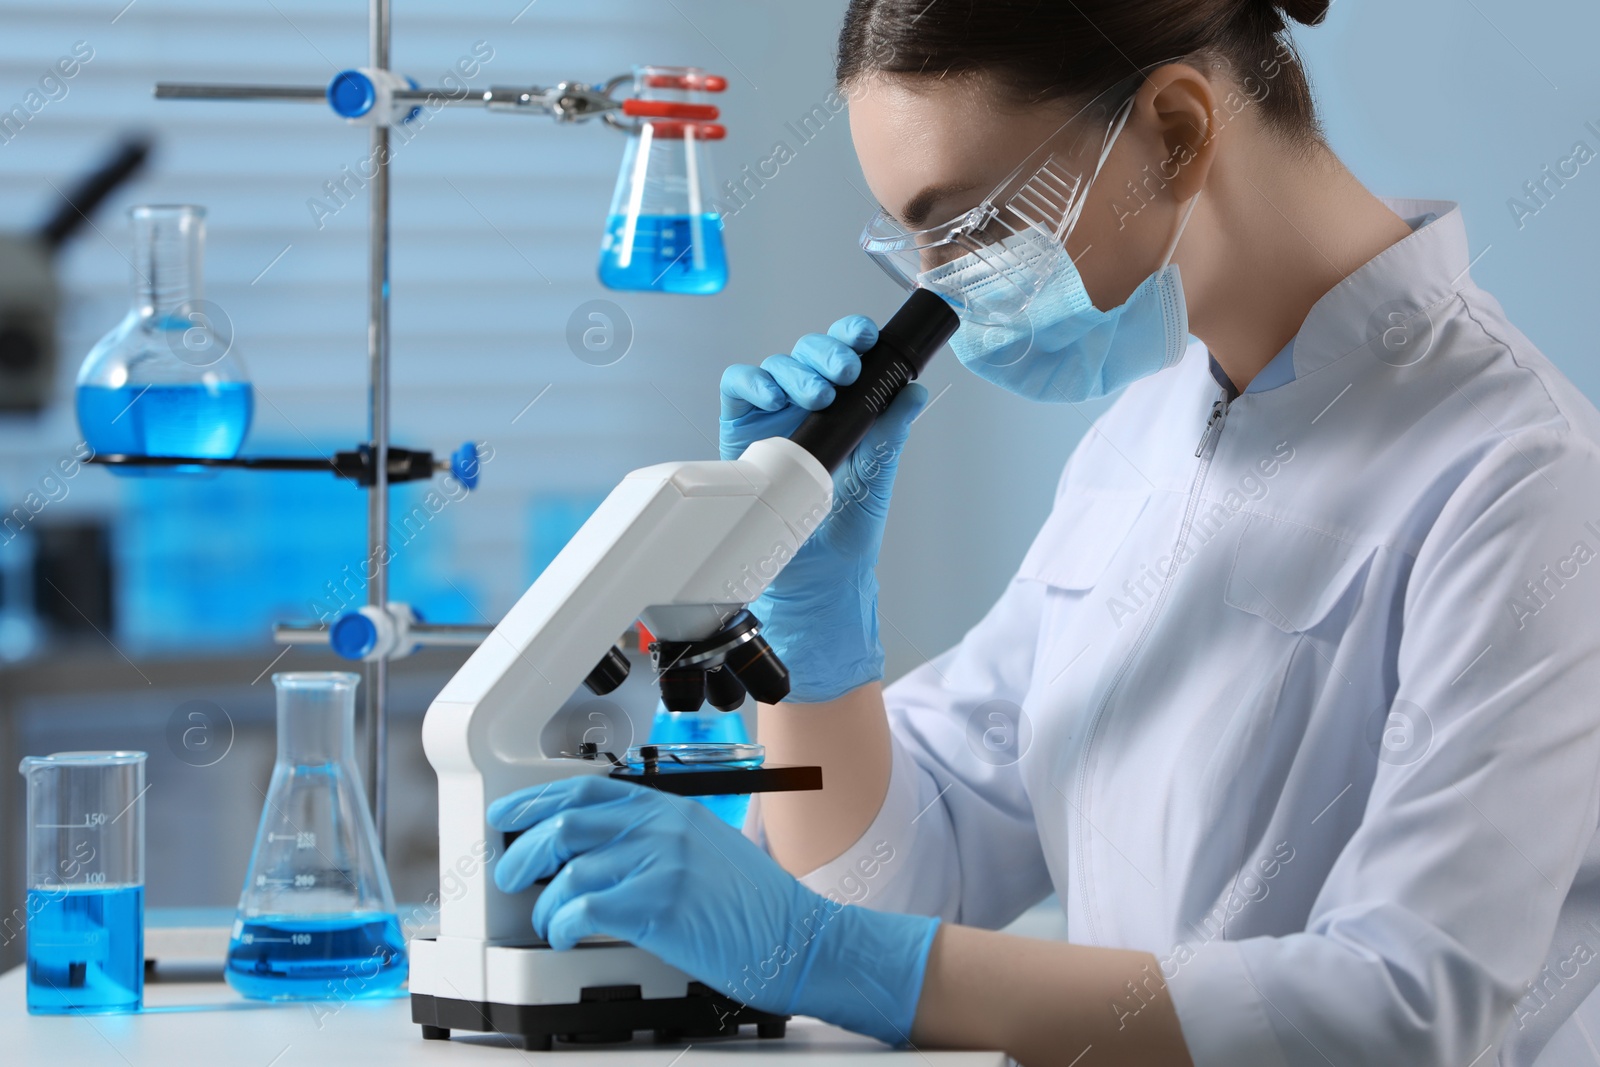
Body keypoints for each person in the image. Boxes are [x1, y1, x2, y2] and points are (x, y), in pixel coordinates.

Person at [486, 1, 1600, 1063]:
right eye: (915, 246)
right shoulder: (1146, 431)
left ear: (1173, 131)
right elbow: (896, 884)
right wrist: (817, 621)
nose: (945, 295)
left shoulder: (1517, 474)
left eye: (969, 227)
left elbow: (1400, 1007)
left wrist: (821, 954)